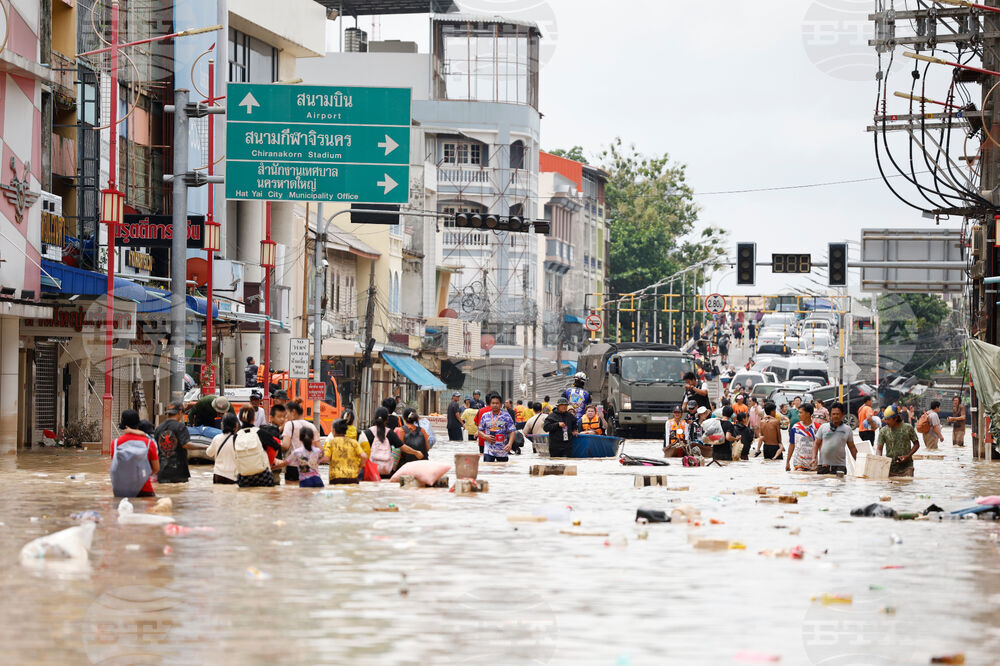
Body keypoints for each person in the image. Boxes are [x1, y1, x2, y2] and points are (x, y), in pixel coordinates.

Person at [111, 410, 160, 497]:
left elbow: (116, 466)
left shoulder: (115, 443)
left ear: (124, 425)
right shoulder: (149, 443)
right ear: (138, 424)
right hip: (144, 489)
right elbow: (156, 468)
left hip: (122, 490)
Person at [153, 401, 193, 484]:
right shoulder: (180, 426)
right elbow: (186, 444)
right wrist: (205, 447)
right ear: (180, 412)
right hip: (178, 471)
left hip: (162, 471)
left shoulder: (158, 428)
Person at [360, 408, 406, 479]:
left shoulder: (367, 433)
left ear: (374, 418)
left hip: (372, 471)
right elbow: (402, 447)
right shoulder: (390, 433)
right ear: (387, 419)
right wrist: (416, 452)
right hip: (386, 470)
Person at [877, 405, 920, 477]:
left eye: (888, 419)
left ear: (896, 418)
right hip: (890, 468)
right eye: (885, 419)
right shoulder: (883, 431)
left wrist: (908, 456)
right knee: (891, 487)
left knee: (907, 485)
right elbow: (879, 448)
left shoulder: (908, 428)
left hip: (907, 467)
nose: (886, 421)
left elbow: (916, 444)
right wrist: (879, 459)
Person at [814, 402, 857, 475]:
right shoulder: (823, 427)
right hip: (823, 465)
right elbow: (816, 444)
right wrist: (813, 458)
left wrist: (859, 462)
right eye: (833, 414)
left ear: (842, 414)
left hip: (840, 467)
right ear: (830, 414)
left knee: (840, 485)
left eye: (838, 414)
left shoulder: (847, 429)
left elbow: (852, 448)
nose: (835, 416)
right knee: (821, 485)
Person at [282, 401, 318, 484]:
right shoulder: (312, 426)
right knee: (306, 494)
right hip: (309, 466)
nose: (286, 417)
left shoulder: (289, 424)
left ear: (293, 412)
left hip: (293, 466)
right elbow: (319, 449)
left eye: (287, 413)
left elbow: (285, 446)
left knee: (291, 493)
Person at [323, 419, 368, 485]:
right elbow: (364, 456)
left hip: (336, 478)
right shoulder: (353, 442)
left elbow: (326, 458)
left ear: (334, 430)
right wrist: (360, 467)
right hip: (352, 478)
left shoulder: (331, 443)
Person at [478, 393, 516, 462]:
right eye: (493, 403)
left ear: (501, 404)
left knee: (503, 470)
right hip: (489, 450)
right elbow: (479, 431)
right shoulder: (485, 416)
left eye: (497, 403)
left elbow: (512, 431)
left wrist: (510, 444)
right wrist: (485, 436)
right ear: (490, 404)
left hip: (502, 450)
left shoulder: (506, 416)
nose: (495, 405)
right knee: (488, 469)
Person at [205, 413, 240, 484]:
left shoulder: (217, 438)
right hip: (232, 476)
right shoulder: (238, 439)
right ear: (236, 426)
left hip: (218, 475)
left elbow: (209, 453)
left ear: (222, 425)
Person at [257, 404, 287, 479]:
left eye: (284, 417)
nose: (282, 419)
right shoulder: (273, 432)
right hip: (273, 469)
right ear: (271, 417)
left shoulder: (266, 429)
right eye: (279, 417)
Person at [786, 403, 817, 472]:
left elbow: (821, 446)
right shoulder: (795, 427)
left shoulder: (817, 427)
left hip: (813, 463)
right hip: (799, 462)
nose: (798, 415)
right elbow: (792, 445)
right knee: (800, 478)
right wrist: (787, 462)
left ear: (808, 414)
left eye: (800, 413)